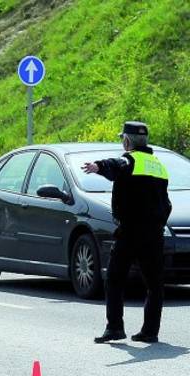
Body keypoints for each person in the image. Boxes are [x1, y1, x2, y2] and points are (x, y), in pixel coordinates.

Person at [82, 121, 171, 344]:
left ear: (127, 141)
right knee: (154, 283)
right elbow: (166, 203)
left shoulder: (129, 160)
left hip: (131, 232)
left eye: (123, 139)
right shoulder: (158, 165)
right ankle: (150, 332)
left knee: (114, 278)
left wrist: (98, 166)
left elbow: (117, 164)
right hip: (154, 233)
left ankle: (114, 328)